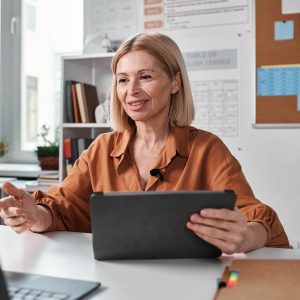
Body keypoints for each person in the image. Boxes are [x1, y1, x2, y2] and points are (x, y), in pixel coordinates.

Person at [0, 32, 289, 254]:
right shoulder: (101, 149)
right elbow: (62, 208)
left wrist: (247, 236)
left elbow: (255, 216)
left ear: (175, 82)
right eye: (123, 80)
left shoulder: (207, 148)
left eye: (145, 76)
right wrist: (33, 215)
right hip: (114, 283)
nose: (132, 91)